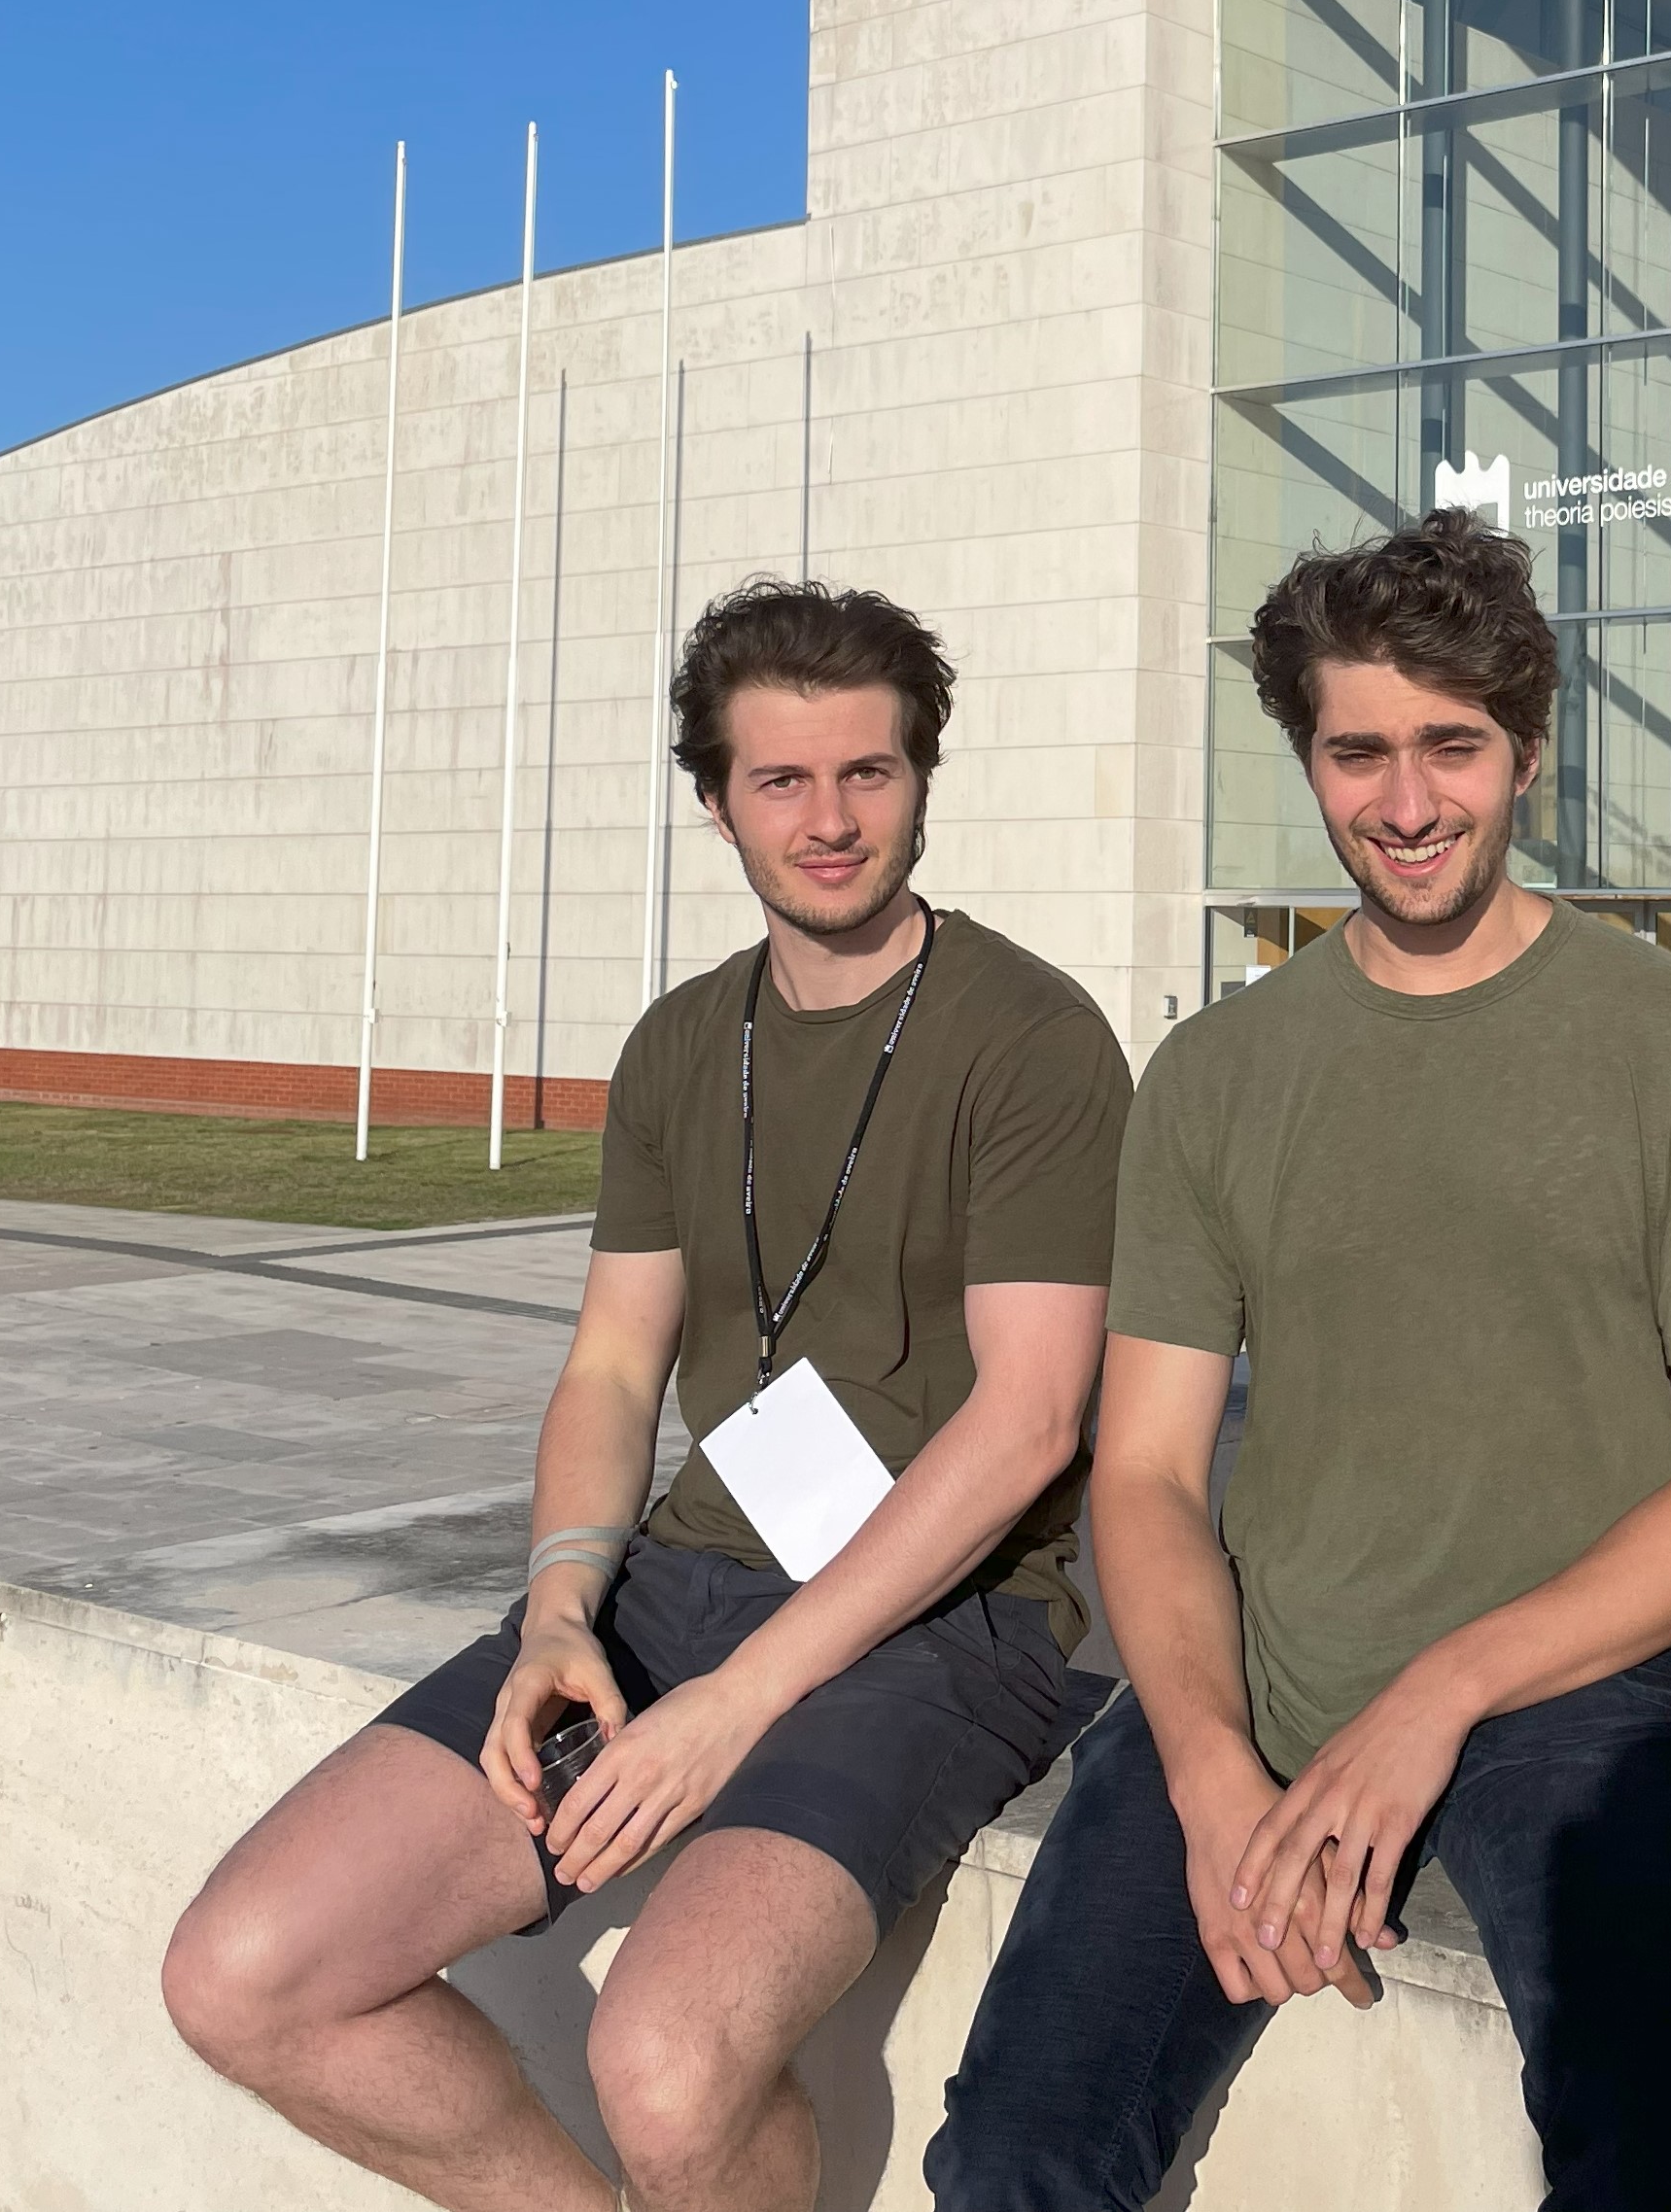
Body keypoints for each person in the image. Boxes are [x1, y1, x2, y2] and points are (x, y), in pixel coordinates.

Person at [163, 580, 1132, 2212]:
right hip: (680, 1586)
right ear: (714, 800)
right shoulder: (684, 1043)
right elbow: (616, 1361)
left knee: (667, 2068)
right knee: (246, 1973)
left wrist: (736, 1706)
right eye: (781, 782)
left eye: (867, 776)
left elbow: (1031, 1421)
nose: (829, 824)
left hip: (948, 1622)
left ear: (921, 778)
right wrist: (558, 1611)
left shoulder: (1031, 1038)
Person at [924, 509, 1671, 2212]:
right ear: (1308, 761)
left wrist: (1440, 1694)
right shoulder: (1217, 1072)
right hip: (1262, 1675)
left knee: (1669, 2153)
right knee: (1017, 2160)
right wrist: (1202, 1766)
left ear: (1528, 752)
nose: (1406, 804)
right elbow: (1152, 1473)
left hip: (1586, 1689)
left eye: (1451, 747)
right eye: (1358, 753)